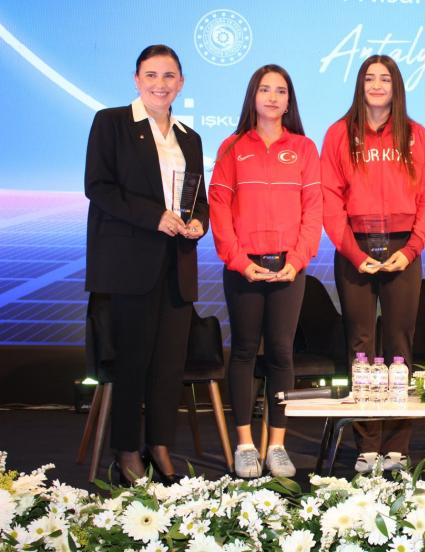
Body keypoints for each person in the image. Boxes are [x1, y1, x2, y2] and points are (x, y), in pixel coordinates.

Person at [84, 44, 207, 485]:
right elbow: (98, 187)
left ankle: (159, 445)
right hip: (128, 265)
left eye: (169, 75)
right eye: (151, 75)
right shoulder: (112, 123)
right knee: (132, 362)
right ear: (137, 80)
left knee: (169, 366)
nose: (160, 84)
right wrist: (154, 216)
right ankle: (125, 449)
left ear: (181, 83)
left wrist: (199, 222)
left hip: (177, 265)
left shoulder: (189, 137)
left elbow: (198, 199)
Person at [321, 55, 425, 473]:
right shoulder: (339, 133)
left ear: (396, 86)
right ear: (359, 85)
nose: (376, 85)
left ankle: (397, 445)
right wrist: (354, 254)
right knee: (360, 344)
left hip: (403, 248)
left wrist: (410, 250)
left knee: (399, 345)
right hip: (355, 248)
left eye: (384, 79)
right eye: (369, 78)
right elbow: (330, 198)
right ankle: (367, 444)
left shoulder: (415, 134)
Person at [209, 65, 322, 478]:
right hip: (244, 269)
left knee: (281, 353)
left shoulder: (304, 148)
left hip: (288, 269)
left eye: (280, 91)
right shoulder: (232, 146)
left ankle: (276, 446)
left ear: (289, 101)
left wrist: (297, 260)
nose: (272, 97)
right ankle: (245, 445)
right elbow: (219, 209)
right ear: (252, 97)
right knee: (242, 351)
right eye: (264, 89)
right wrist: (240, 262)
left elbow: (313, 211)